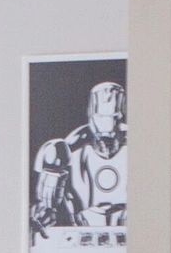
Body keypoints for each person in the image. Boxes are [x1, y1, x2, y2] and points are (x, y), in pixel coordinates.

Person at [29, 78, 126, 238]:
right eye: (101, 118)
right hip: (82, 233)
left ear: (119, 117)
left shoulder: (138, 144)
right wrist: (44, 211)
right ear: (92, 116)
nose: (106, 132)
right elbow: (44, 207)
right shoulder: (67, 148)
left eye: (113, 119)